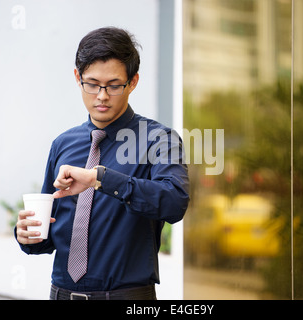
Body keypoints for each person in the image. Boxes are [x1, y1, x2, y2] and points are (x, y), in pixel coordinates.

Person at [15, 27, 190, 300]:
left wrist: (101, 179)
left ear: (133, 82)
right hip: (60, 293)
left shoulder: (158, 140)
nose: (102, 95)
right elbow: (50, 233)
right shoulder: (63, 144)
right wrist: (28, 235)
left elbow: (174, 202)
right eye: (92, 83)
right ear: (78, 77)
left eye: (114, 85)